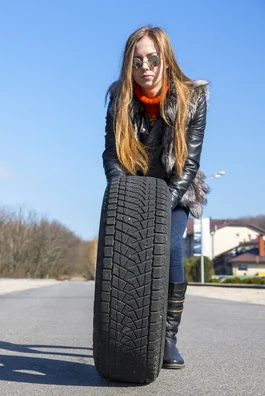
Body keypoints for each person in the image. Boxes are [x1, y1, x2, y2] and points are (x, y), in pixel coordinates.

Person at [102, 25, 209, 369]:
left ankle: (166, 335)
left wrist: (160, 208)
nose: (145, 67)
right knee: (121, 253)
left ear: (165, 59)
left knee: (171, 246)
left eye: (152, 59)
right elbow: (110, 154)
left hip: (176, 189)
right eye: (136, 61)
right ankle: (124, 328)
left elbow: (189, 162)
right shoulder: (120, 97)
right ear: (128, 65)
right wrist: (123, 192)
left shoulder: (192, 99)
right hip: (133, 189)